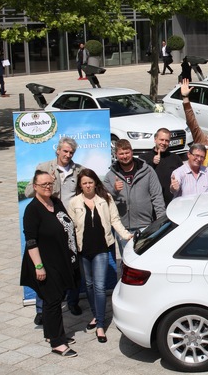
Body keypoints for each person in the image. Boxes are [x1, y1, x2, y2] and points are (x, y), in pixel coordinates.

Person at [24, 136, 86, 320]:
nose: (67, 155)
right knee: (49, 270)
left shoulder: (79, 170)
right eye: (65, 151)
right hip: (50, 227)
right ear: (57, 150)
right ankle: (42, 310)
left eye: (71, 152)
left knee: (74, 267)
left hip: (71, 227)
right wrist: (47, 182)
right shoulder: (43, 167)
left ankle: (73, 302)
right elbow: (28, 192)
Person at [20, 171, 80, 358]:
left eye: (50, 183)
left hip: (61, 260)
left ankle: (51, 333)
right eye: (43, 184)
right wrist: (39, 267)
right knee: (53, 301)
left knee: (53, 299)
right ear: (35, 186)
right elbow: (31, 241)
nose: (47, 186)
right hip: (44, 263)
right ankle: (57, 342)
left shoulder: (55, 202)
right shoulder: (32, 210)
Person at [69, 169, 131, 344]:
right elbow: (71, 227)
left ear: (95, 182)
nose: (88, 186)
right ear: (80, 185)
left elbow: (115, 220)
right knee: (88, 285)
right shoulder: (74, 202)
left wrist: (126, 235)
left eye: (90, 182)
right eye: (84, 183)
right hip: (83, 250)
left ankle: (100, 325)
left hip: (102, 249)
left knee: (100, 286)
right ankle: (95, 315)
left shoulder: (105, 199)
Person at [103, 139, 166, 251]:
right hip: (123, 228)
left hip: (145, 225)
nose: (125, 156)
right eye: (121, 154)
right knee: (126, 261)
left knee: (144, 259)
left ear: (132, 152)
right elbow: (104, 200)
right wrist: (114, 190)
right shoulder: (110, 176)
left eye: (127, 152)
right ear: (116, 155)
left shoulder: (147, 171)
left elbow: (157, 196)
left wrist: (161, 221)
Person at [139, 128, 183, 206]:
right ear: (155, 139)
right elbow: (139, 178)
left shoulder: (175, 158)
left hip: (172, 204)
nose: (164, 143)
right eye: (161, 140)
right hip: (152, 204)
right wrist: (152, 163)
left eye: (167, 141)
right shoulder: (144, 158)